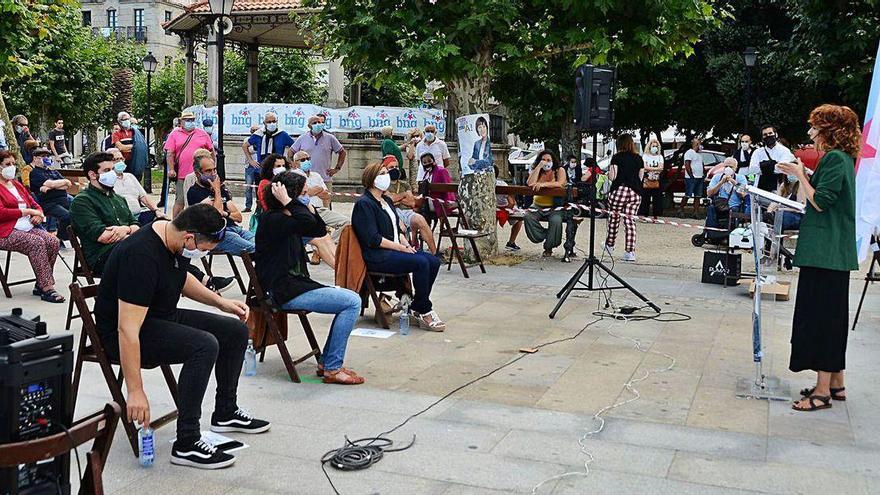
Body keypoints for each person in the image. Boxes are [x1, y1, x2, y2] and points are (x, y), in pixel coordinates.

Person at [93, 203, 270, 468]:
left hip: (158, 317)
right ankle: (187, 442)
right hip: (127, 332)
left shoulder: (173, 239)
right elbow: (126, 329)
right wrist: (136, 390)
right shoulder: (140, 255)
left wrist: (221, 303)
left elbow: (181, 277)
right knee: (203, 345)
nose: (200, 254)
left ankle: (225, 411)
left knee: (234, 330)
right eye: (202, 248)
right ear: (189, 236)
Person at [776, 104, 861, 412]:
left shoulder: (836, 159)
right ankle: (836, 383)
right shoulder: (838, 160)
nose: (810, 133)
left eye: (815, 128)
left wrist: (801, 174)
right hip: (829, 254)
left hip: (826, 254)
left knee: (822, 319)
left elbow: (822, 202)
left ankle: (822, 391)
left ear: (829, 132)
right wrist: (806, 175)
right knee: (832, 318)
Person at [256, 171, 364, 384]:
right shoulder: (274, 220)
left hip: (296, 285)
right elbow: (306, 224)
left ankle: (327, 362)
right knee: (352, 302)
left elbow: (319, 229)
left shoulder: (290, 217)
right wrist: (290, 201)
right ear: (288, 196)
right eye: (303, 194)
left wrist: (307, 208)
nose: (307, 197)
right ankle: (332, 367)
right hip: (284, 290)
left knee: (349, 299)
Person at [352, 162, 445, 331]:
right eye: (382, 173)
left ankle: (418, 304)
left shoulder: (386, 200)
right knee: (420, 263)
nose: (387, 175)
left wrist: (406, 244)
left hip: (395, 249)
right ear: (373, 179)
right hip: (378, 255)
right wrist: (400, 248)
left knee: (432, 261)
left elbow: (397, 228)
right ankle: (424, 309)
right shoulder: (364, 204)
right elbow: (373, 239)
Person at [0, 150, 63, 303]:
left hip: (28, 227)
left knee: (53, 241)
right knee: (36, 243)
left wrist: (37, 213)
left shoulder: (16, 185)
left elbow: (34, 203)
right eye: (7, 164)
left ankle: (40, 283)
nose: (12, 167)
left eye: (13, 164)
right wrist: (26, 211)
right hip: (5, 231)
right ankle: (47, 287)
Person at [187, 150, 255, 255]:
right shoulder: (194, 192)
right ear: (198, 173)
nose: (213, 174)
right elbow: (217, 216)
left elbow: (238, 217)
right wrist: (217, 191)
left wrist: (226, 213)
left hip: (235, 228)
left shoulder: (221, 189)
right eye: (208, 171)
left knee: (262, 245)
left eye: (214, 170)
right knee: (253, 249)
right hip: (217, 235)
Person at [381, 154, 438, 255]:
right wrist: (403, 195)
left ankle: (434, 253)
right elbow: (388, 200)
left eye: (396, 167)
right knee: (399, 225)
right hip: (393, 211)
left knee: (421, 220)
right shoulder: (383, 184)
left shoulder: (404, 184)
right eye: (391, 167)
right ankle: (408, 250)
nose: (395, 169)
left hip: (407, 211)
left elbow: (411, 203)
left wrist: (395, 199)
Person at [290, 150, 349, 242]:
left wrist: (314, 191)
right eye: (302, 160)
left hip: (321, 210)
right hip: (304, 211)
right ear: (295, 163)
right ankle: (323, 248)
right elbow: (300, 193)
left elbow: (326, 195)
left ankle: (329, 245)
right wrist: (317, 190)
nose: (306, 161)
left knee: (346, 222)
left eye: (308, 159)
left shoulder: (316, 175)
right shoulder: (293, 175)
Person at [165, 111, 215, 218]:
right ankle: (175, 223)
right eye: (187, 120)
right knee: (180, 200)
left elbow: (211, 152)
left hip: (201, 175)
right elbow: (170, 153)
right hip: (182, 175)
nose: (190, 122)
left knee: (201, 199)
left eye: (192, 120)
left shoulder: (202, 133)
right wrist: (171, 169)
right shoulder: (174, 134)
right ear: (181, 121)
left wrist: (213, 168)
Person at [604, 134, 644, 262]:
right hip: (635, 192)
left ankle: (610, 245)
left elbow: (612, 176)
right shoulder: (638, 158)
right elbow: (641, 177)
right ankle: (630, 252)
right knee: (630, 221)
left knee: (614, 218)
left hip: (619, 190)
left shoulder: (617, 158)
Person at [523, 150, 567, 258]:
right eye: (543, 160)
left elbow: (560, 183)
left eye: (548, 160)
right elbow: (530, 183)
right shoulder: (538, 171)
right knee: (527, 216)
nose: (546, 162)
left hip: (554, 206)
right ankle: (546, 235)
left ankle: (549, 246)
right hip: (537, 205)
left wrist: (543, 185)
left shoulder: (559, 170)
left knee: (555, 220)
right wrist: (538, 168)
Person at [107, 148, 166, 225]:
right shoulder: (108, 180)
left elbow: (144, 197)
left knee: (162, 222)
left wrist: (156, 210)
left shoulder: (130, 176)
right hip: (122, 220)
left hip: (138, 215)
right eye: (116, 159)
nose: (120, 162)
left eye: (121, 158)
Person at [28, 146, 72, 241]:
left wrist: (53, 186)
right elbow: (52, 183)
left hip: (64, 198)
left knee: (79, 210)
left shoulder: (53, 171)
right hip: (48, 203)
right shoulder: (35, 173)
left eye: (47, 156)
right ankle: (61, 238)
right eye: (43, 156)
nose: (46, 158)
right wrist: (55, 184)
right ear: (35, 158)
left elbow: (68, 184)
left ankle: (75, 235)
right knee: (66, 216)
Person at [291, 115, 346, 188]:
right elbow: (290, 152)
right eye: (315, 123)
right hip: (305, 179)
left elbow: (342, 152)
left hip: (325, 179)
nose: (318, 124)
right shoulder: (302, 138)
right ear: (309, 126)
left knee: (326, 198)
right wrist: (293, 165)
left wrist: (337, 168)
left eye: (320, 122)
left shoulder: (330, 138)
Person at [748, 124, 796, 192]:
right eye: (765, 134)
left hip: (778, 190)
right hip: (759, 189)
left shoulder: (784, 151)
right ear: (762, 137)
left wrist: (762, 165)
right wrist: (774, 164)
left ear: (775, 134)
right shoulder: (757, 152)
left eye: (770, 133)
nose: (768, 136)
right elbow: (752, 169)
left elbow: (782, 168)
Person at [705, 160, 748, 228]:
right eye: (726, 166)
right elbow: (709, 193)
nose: (728, 168)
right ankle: (711, 232)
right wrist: (721, 182)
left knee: (734, 211)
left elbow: (744, 194)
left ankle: (728, 231)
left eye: (731, 167)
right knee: (711, 208)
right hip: (719, 204)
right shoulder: (717, 177)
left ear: (735, 168)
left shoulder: (741, 178)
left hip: (734, 205)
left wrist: (733, 181)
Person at [494, 165, 523, 251]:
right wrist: (507, 209)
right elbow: (512, 202)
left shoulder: (482, 184)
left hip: (492, 208)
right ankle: (511, 242)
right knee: (519, 219)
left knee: (492, 219)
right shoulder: (502, 184)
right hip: (505, 206)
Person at [640, 137, 664, 217]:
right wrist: (655, 169)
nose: (655, 148)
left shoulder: (660, 157)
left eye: (656, 146)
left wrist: (651, 170)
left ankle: (656, 216)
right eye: (653, 146)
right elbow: (645, 167)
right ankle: (644, 215)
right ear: (649, 147)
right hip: (647, 179)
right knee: (645, 198)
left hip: (656, 179)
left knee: (657, 199)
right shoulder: (645, 156)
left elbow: (661, 168)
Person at [680, 138, 704, 214]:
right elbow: (687, 164)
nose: (700, 146)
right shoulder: (689, 153)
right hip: (691, 178)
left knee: (698, 195)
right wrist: (691, 175)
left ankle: (696, 212)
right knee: (688, 194)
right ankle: (681, 209)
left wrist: (703, 173)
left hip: (699, 177)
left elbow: (701, 164)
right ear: (696, 144)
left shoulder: (699, 154)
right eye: (699, 144)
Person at [242, 124, 261, 212]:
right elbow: (251, 150)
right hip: (250, 166)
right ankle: (248, 206)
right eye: (253, 130)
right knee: (248, 187)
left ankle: (259, 206)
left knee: (258, 187)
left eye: (256, 130)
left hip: (259, 166)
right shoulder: (247, 140)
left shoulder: (262, 139)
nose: (255, 132)